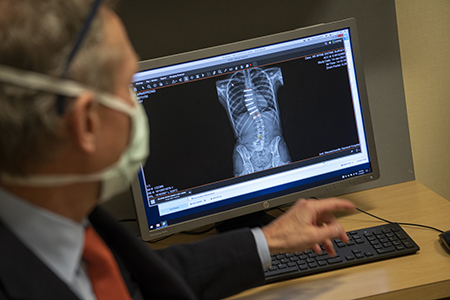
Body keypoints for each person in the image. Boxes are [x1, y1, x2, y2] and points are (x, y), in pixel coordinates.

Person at [0, 1, 355, 299]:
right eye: (129, 86)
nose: (138, 103)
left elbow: (145, 280)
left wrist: (266, 240)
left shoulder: (73, 229)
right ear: (87, 124)